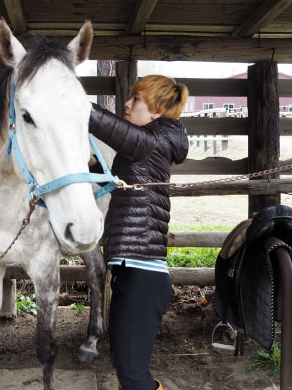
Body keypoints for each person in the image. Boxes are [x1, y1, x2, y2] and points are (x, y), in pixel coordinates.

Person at [88, 75, 189, 390]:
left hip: (143, 274)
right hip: (131, 272)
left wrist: (72, 101)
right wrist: (94, 166)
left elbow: (113, 129)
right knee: (123, 365)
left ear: (157, 111)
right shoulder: (145, 148)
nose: (127, 105)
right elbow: (121, 182)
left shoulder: (151, 142)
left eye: (136, 100)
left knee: (132, 375)